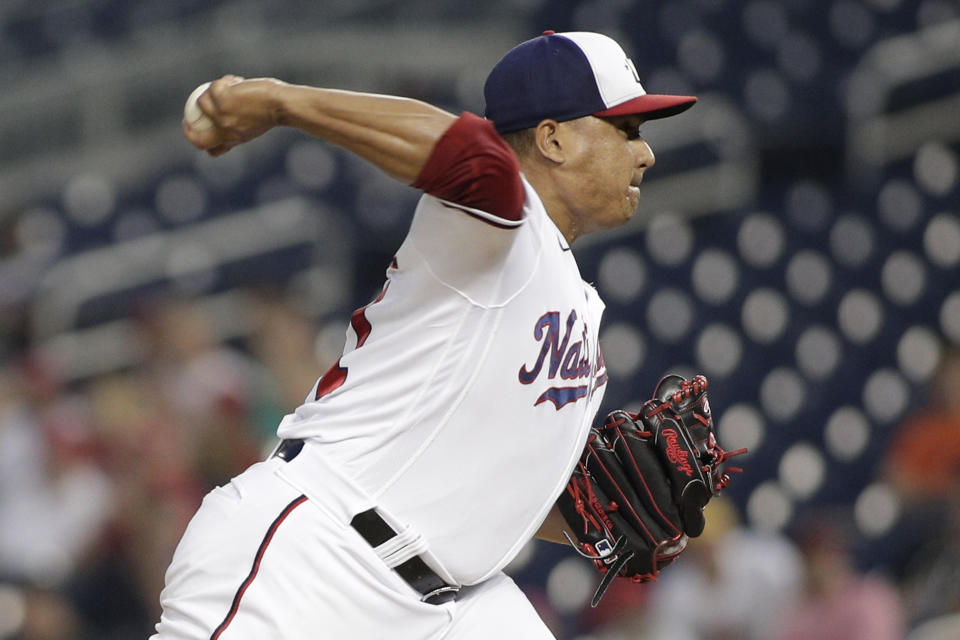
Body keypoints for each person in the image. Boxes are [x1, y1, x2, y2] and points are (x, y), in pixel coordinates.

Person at [152, 30, 697, 639]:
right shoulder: (502, 223)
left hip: (449, 602)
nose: (645, 153)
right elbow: (469, 151)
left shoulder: (575, 304)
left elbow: (480, 479)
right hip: (314, 558)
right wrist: (282, 101)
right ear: (553, 138)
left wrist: (593, 517)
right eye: (627, 129)